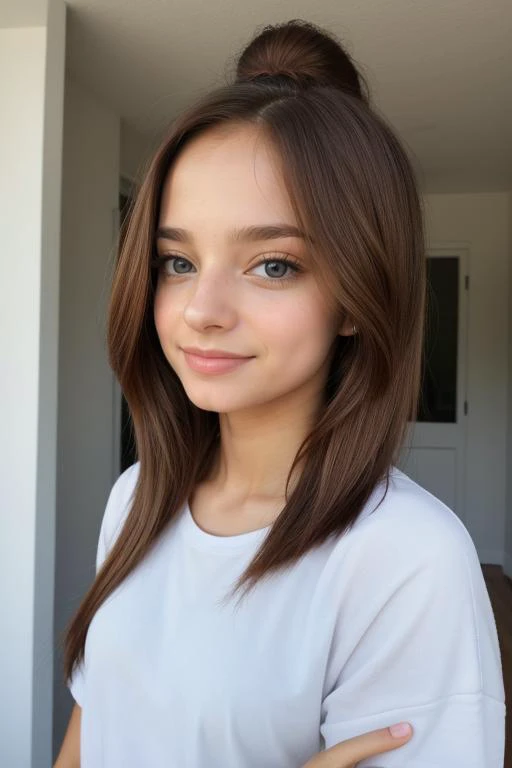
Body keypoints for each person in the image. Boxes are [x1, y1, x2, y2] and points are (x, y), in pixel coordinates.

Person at [55, 18, 506, 768]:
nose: (202, 309)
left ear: (360, 297)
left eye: (272, 265)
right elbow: (92, 728)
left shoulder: (404, 560)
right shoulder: (134, 500)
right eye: (177, 262)